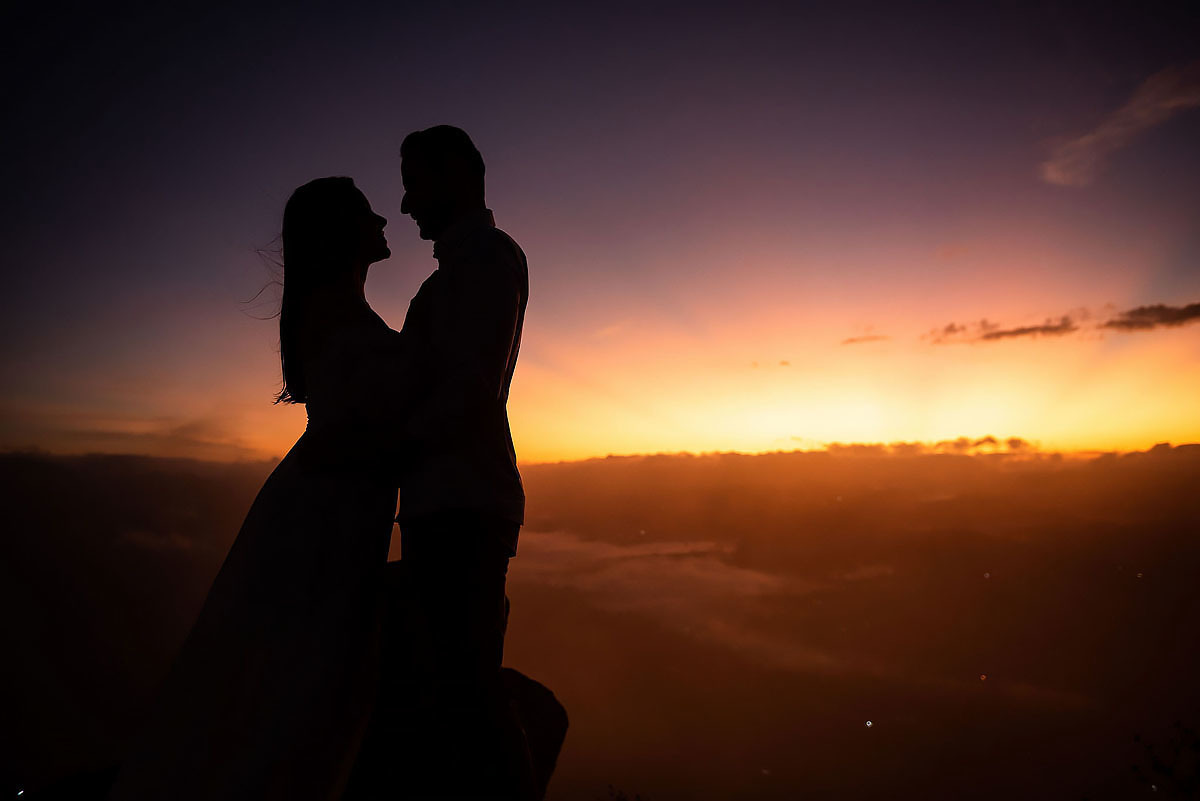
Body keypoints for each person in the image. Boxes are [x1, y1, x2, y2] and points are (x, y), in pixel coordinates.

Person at [107, 177, 408, 801]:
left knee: (295, 659)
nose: (383, 221)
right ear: (339, 231)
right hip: (330, 502)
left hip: (334, 496)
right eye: (367, 213)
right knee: (303, 662)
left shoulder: (332, 307)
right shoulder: (335, 310)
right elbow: (351, 426)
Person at [392, 125, 535, 800]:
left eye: (414, 183)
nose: (404, 203)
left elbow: (470, 389)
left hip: (462, 501)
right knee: (455, 682)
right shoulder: (459, 269)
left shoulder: (485, 259)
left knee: (466, 688)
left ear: (456, 176)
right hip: (450, 499)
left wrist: (387, 446)